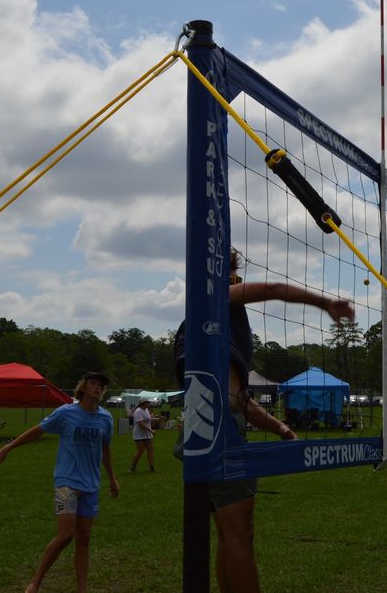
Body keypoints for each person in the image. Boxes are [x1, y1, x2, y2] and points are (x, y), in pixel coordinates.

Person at [175, 247, 356, 593]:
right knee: (240, 535)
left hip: (197, 428)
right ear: (223, 274)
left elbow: (239, 398)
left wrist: (280, 427)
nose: (239, 281)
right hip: (221, 429)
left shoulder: (199, 321)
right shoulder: (217, 298)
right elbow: (271, 290)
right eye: (234, 274)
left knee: (230, 535)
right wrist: (324, 303)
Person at [0, 371, 121, 593]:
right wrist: (8, 447)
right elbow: (37, 431)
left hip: (91, 484)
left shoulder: (106, 418)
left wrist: (112, 478)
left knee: (84, 537)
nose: (97, 387)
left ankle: (81, 589)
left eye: (100, 385)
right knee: (65, 536)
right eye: (93, 383)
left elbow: (106, 449)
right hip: (66, 482)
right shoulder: (65, 413)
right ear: (82, 387)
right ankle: (35, 582)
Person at [129, 398, 156, 472]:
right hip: (139, 435)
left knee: (150, 450)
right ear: (143, 403)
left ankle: (152, 467)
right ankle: (133, 466)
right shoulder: (138, 411)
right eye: (147, 402)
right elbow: (141, 423)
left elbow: (148, 419)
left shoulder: (146, 410)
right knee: (140, 451)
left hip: (148, 434)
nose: (149, 404)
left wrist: (157, 419)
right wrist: (151, 430)